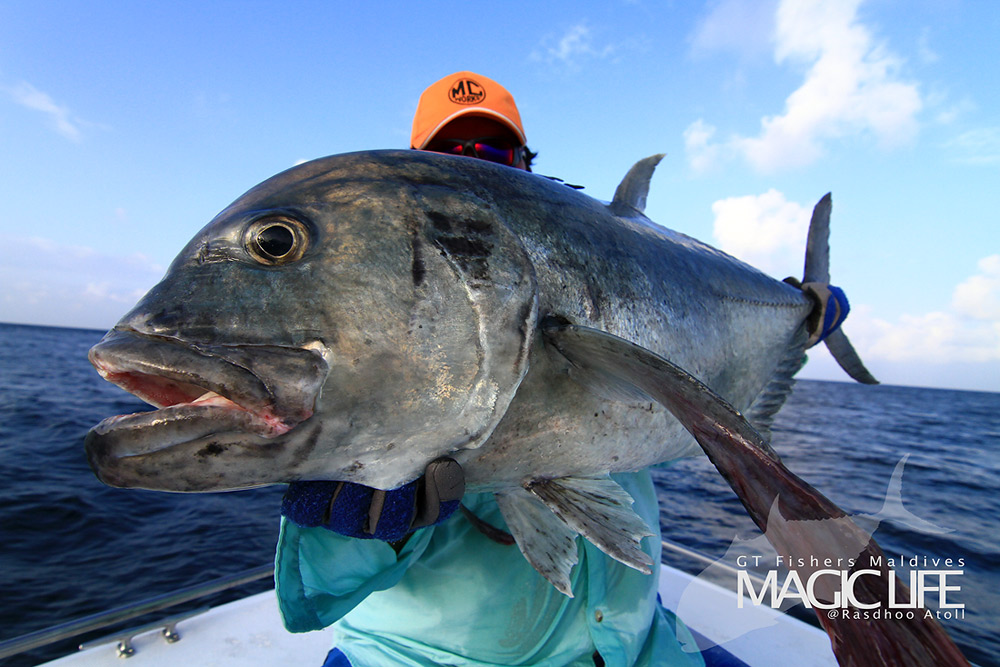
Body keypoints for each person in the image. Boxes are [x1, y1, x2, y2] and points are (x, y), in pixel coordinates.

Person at [274, 72, 704, 667]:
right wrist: (351, 530)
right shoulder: (361, 335)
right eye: (446, 157)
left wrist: (804, 312)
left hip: (641, 647)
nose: (469, 170)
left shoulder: (592, 266)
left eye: (493, 154)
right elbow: (325, 590)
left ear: (525, 165)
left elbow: (720, 350)